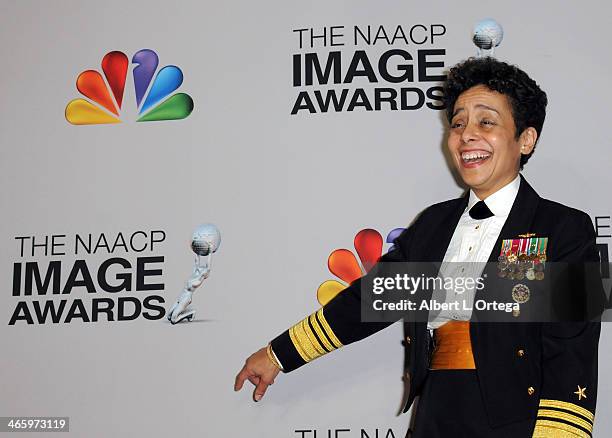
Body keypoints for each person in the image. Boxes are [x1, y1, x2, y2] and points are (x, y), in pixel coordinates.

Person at [234, 57, 603, 437]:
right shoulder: (432, 225)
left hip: (516, 424)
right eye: (458, 123)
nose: (467, 134)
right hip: (434, 416)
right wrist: (278, 355)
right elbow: (368, 302)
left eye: (486, 122)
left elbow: (571, 353)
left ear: (526, 139)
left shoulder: (565, 229)